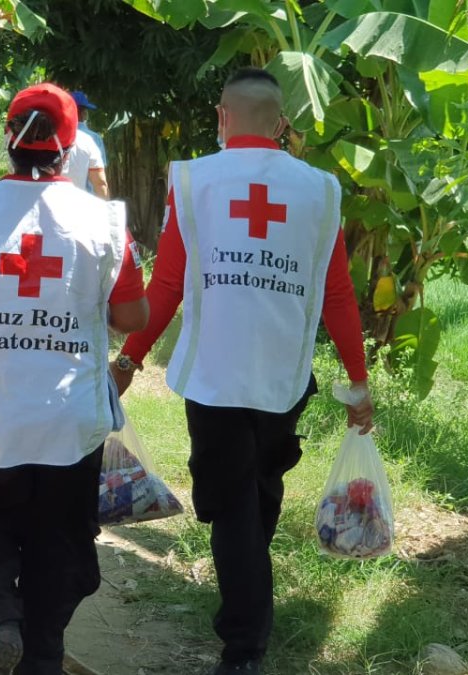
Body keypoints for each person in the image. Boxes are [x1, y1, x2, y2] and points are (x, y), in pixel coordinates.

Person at [110, 68, 374, 675]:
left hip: (214, 377)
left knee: (231, 506)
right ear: (280, 123)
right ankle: (249, 597)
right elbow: (337, 293)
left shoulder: (196, 178)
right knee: (257, 493)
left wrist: (129, 359)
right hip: (285, 378)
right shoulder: (320, 189)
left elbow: (169, 282)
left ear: (223, 117)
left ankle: (244, 647)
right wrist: (357, 381)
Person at [0, 83, 148, 675]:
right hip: (67, 423)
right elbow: (133, 318)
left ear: (8, 139)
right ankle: (43, 652)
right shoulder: (105, 223)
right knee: (61, 543)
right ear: (70, 148)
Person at [62, 91, 109, 199]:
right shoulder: (94, 138)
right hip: (89, 200)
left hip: (62, 200)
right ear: (83, 113)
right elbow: (100, 180)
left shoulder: (57, 137)